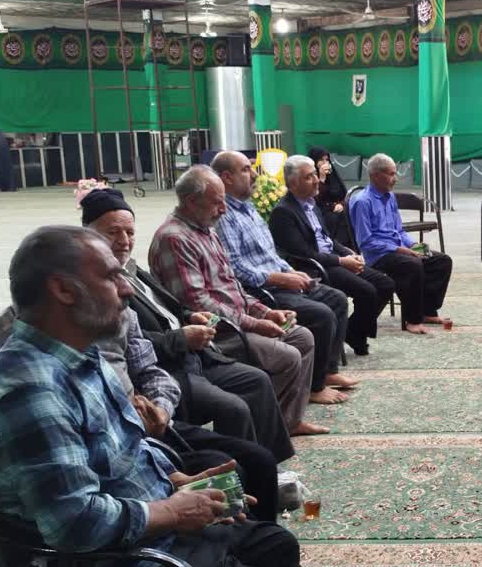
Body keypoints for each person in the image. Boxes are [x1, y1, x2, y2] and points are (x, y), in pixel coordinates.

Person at [0, 226, 302, 567]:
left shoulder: (80, 355)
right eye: (111, 276)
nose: (126, 288)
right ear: (64, 290)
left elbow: (125, 453)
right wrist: (173, 512)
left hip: (136, 549)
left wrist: (179, 485)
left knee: (276, 546)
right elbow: (75, 525)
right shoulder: (30, 390)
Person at [83, 188, 295, 463]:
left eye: (130, 233)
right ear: (87, 234)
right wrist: (181, 337)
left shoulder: (133, 270)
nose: (124, 241)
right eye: (112, 233)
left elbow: (170, 305)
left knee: (257, 380)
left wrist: (190, 316)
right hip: (169, 366)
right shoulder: (97, 285)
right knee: (235, 407)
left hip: (195, 353)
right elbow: (129, 344)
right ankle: (244, 473)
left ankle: (272, 467)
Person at [148, 165, 328, 437]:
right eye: (216, 202)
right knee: (288, 356)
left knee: (302, 337)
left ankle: (284, 422)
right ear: (191, 202)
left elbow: (233, 287)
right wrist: (254, 323)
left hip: (239, 320)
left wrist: (265, 312)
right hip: (217, 333)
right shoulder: (175, 238)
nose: (223, 210)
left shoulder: (206, 229)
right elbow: (198, 305)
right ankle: (264, 428)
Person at [211, 150, 358, 405]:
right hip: (261, 289)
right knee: (322, 314)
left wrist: (290, 271)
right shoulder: (224, 216)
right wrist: (279, 278)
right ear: (227, 178)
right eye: (246, 169)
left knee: (336, 299)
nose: (255, 175)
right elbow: (235, 268)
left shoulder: (248, 208)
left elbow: (271, 253)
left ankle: (327, 371)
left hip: (279, 278)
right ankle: (314, 387)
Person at [270, 155, 395, 356]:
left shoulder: (312, 204)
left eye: (314, 175)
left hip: (334, 259)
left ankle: (352, 332)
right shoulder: (283, 212)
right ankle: (355, 336)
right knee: (367, 291)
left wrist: (347, 252)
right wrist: (341, 261)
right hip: (316, 267)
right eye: (308, 177)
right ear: (293, 184)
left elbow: (327, 238)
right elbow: (303, 253)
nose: (316, 180)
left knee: (385, 284)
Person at [349, 153, 454, 335]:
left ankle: (427, 311)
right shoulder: (362, 202)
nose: (395, 178)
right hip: (378, 255)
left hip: (397, 248)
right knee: (412, 265)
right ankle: (412, 319)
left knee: (441, 261)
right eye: (391, 174)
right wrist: (401, 250)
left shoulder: (390, 197)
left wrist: (412, 245)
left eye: (395, 173)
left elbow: (399, 230)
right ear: (375, 176)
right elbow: (366, 241)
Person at [307, 145, 353, 247]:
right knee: (336, 218)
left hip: (338, 210)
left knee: (349, 213)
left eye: (326, 160)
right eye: (321, 160)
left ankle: (351, 247)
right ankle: (340, 248)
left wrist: (341, 204)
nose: (325, 163)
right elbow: (314, 200)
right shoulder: (309, 178)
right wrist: (321, 179)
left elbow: (344, 194)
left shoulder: (333, 175)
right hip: (321, 212)